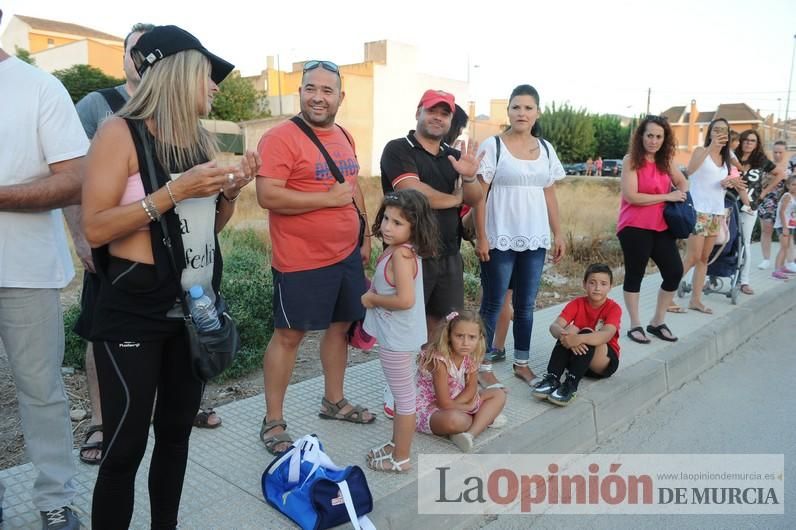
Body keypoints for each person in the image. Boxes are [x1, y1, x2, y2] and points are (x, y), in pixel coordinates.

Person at [81, 25, 259, 528]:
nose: (216, 87)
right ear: (179, 73)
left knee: (177, 434)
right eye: (209, 75)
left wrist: (228, 194)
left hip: (192, 309)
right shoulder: (119, 133)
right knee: (124, 448)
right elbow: (95, 226)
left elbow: (210, 228)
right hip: (131, 309)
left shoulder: (199, 140)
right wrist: (173, 193)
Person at [256, 59, 374, 455]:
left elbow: (352, 185)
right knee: (289, 336)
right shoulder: (280, 138)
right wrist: (325, 200)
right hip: (301, 259)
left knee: (340, 327)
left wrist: (365, 232)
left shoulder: (343, 134)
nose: (318, 97)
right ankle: (273, 421)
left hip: (345, 255)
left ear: (341, 96)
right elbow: (268, 195)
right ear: (300, 92)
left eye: (327, 90)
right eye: (311, 88)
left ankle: (333, 401)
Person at [0, 8, 85, 528]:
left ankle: (55, 497)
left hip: (26, 272)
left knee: (41, 391)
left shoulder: (38, 87)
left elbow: (74, 178)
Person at [70, 22, 163, 467]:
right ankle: (101, 419)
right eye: (135, 50)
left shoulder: (170, 111)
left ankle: (164, 407)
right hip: (106, 247)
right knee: (101, 331)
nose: (143, 58)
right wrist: (80, 238)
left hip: (158, 255)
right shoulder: (98, 106)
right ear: (123, 57)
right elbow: (72, 177)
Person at [472, 84, 566, 387]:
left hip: (535, 239)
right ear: (508, 111)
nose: (521, 113)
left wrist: (558, 233)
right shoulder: (493, 145)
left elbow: (549, 193)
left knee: (526, 305)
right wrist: (481, 236)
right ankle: (482, 364)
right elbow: (478, 196)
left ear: (537, 112)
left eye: (528, 108)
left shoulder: (547, 149)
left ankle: (521, 363)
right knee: (493, 303)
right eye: (516, 107)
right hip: (499, 237)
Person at [380, 89, 484, 340]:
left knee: (444, 328)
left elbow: (475, 198)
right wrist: (455, 199)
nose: (438, 118)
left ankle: (431, 378)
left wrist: (469, 177)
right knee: (406, 328)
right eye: (431, 111)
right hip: (409, 254)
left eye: (444, 114)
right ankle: (406, 380)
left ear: (450, 121)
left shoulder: (453, 156)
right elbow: (413, 194)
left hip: (448, 254)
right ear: (418, 112)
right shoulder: (398, 149)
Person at [362, 189, 438, 472]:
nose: (386, 227)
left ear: (414, 227)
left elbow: (405, 300)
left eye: (397, 223)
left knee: (403, 399)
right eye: (386, 219)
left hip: (398, 340)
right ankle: (396, 444)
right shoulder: (398, 252)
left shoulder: (401, 256)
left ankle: (401, 458)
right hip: (397, 337)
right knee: (401, 394)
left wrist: (372, 299)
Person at [618, 115, 688, 344]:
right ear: (641, 136)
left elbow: (682, 181)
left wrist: (681, 195)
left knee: (674, 271)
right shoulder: (631, 160)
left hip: (661, 226)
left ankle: (657, 321)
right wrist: (668, 195)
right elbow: (632, 196)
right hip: (634, 225)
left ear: (664, 139)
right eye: (650, 135)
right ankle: (635, 324)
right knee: (635, 274)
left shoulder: (665, 161)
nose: (654, 140)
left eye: (659, 136)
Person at [671, 118, 742, 314]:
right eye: (716, 130)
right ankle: (667, 297)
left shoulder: (727, 159)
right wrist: (710, 147)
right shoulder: (701, 152)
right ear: (710, 132)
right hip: (698, 211)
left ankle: (696, 300)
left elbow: (727, 180)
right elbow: (690, 171)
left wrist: (728, 184)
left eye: (724, 131)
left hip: (717, 212)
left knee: (704, 258)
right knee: (692, 257)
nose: (720, 133)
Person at [415, 311, 506, 452]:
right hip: (430, 408)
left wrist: (466, 405)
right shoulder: (439, 361)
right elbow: (443, 403)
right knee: (456, 421)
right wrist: (470, 408)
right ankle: (483, 418)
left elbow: (471, 390)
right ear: (449, 336)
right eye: (459, 336)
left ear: (479, 338)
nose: (465, 343)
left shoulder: (470, 357)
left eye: (471, 337)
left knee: (498, 394)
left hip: (457, 401)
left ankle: (469, 435)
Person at [531, 263, 622, 405]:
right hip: (577, 361)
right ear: (584, 284)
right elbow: (554, 326)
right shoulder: (577, 303)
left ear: (610, 287)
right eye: (592, 283)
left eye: (603, 284)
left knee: (586, 332)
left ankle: (570, 384)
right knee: (568, 330)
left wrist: (577, 339)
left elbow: (606, 335)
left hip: (603, 363)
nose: (597, 288)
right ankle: (552, 378)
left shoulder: (613, 308)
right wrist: (565, 337)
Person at [731, 130, 784, 294]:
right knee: (724, 241)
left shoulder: (761, 160)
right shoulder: (732, 157)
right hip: (729, 203)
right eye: (745, 139)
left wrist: (764, 192)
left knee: (745, 243)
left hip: (751, 206)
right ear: (740, 141)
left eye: (752, 141)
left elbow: (780, 174)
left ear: (756, 143)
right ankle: (713, 278)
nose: (748, 143)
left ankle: (744, 281)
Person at [757, 140, 790, 269]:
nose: (777, 155)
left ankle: (787, 260)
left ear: (785, 152)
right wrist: (769, 178)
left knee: (786, 232)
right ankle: (766, 259)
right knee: (766, 229)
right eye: (775, 152)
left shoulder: (790, 167)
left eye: (780, 152)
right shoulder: (767, 166)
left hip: (785, 203)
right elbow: (759, 184)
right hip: (768, 201)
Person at [772, 174, 796, 279]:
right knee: (783, 247)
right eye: (793, 184)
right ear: (788, 185)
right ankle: (777, 270)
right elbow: (781, 212)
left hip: (790, 225)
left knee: (786, 248)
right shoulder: (787, 196)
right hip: (783, 226)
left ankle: (782, 267)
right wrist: (785, 227)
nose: (795, 186)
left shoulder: (794, 196)